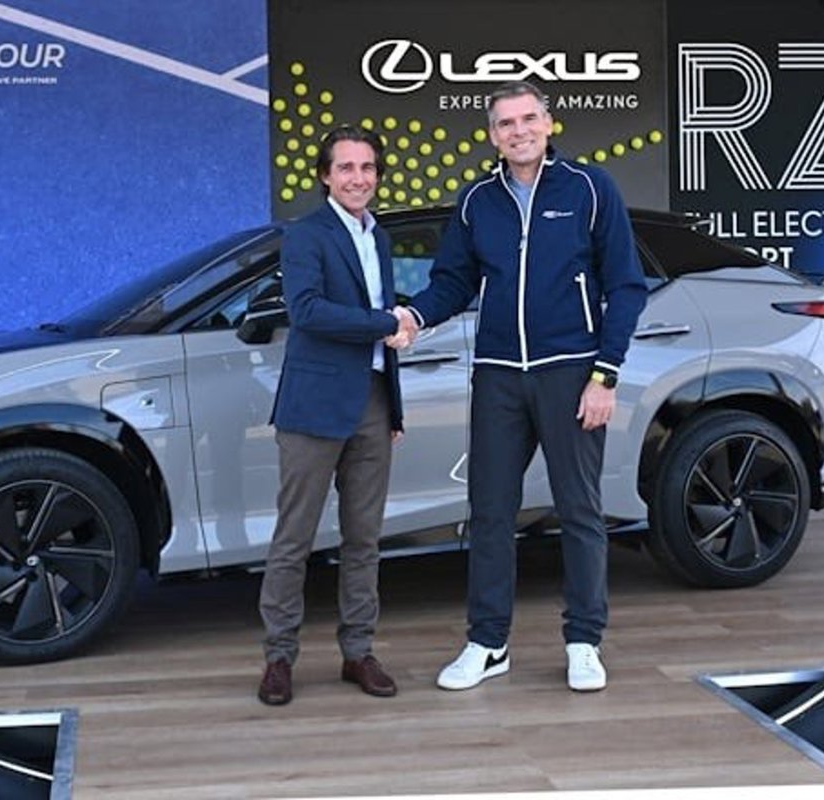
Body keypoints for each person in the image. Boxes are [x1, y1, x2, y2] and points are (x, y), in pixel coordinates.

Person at [394, 81, 647, 692]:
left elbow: (626, 286)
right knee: (489, 512)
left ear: (549, 124)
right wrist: (415, 317)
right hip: (499, 375)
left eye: (528, 119)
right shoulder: (477, 201)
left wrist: (605, 374)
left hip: (572, 372)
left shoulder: (590, 189)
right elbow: (453, 281)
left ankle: (584, 642)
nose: (519, 131)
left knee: (579, 510)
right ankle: (488, 643)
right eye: (506, 123)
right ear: (492, 136)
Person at [257, 125, 409, 706]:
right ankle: (278, 658)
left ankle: (358, 652)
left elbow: (383, 333)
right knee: (292, 540)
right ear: (325, 176)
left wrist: (392, 408)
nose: (357, 178)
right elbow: (308, 311)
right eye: (345, 167)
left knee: (364, 540)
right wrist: (386, 322)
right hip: (314, 407)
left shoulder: (380, 238)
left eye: (367, 168)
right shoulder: (306, 235)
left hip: (372, 402)